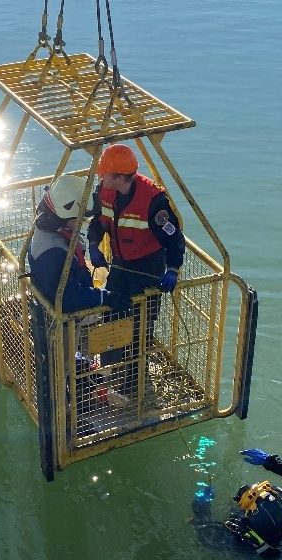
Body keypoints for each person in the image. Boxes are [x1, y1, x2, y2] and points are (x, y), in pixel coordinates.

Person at [86, 144, 186, 404]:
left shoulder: (154, 202)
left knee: (141, 327)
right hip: (120, 267)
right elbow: (98, 222)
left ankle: (133, 380)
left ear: (119, 177)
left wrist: (172, 269)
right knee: (113, 318)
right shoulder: (104, 192)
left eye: (105, 174)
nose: (101, 177)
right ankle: (108, 374)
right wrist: (93, 245)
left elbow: (174, 240)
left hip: (148, 272)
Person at [28, 174, 131, 314]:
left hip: (70, 298)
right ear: (65, 215)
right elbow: (66, 298)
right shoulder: (52, 252)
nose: (82, 222)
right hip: (68, 323)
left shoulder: (50, 231)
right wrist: (104, 297)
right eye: (80, 217)